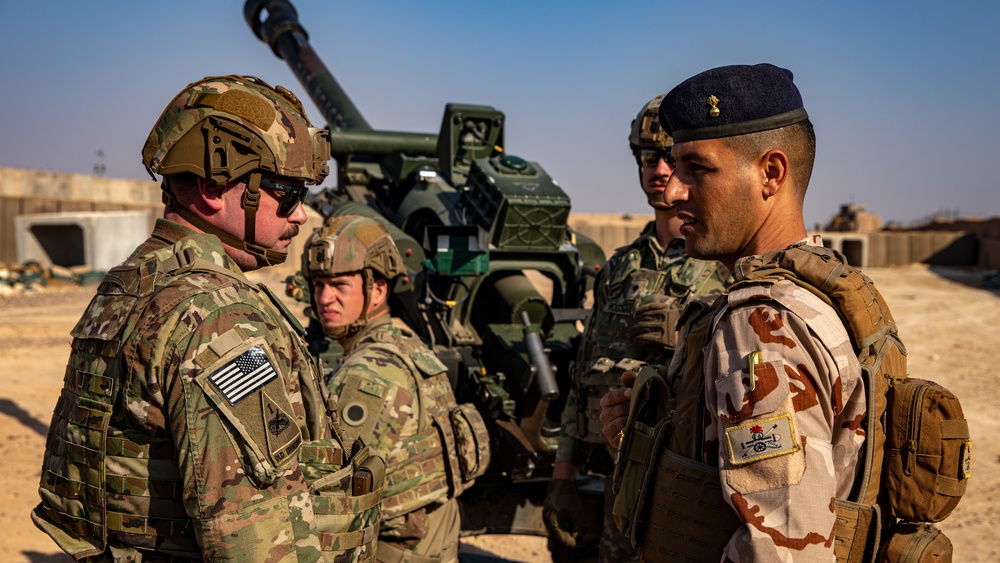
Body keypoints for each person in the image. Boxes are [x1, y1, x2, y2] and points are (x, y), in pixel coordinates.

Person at [32, 75, 382, 561]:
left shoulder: (131, 283)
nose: (300, 216)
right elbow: (256, 541)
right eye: (287, 193)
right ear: (212, 188)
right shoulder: (216, 317)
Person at [600, 64, 889, 561]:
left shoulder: (762, 324)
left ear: (771, 173)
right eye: (673, 166)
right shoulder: (824, 288)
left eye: (699, 169)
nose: (672, 191)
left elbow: (782, 549)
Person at [543, 95, 728, 562]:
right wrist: (563, 477)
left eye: (671, 157)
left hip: (687, 487)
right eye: (648, 157)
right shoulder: (620, 268)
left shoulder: (724, 267)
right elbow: (583, 375)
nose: (659, 169)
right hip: (616, 480)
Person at [302, 215, 490, 563]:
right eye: (318, 285)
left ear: (377, 289)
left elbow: (337, 499)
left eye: (340, 285)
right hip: (433, 542)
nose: (324, 298)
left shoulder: (366, 373)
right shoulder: (410, 346)